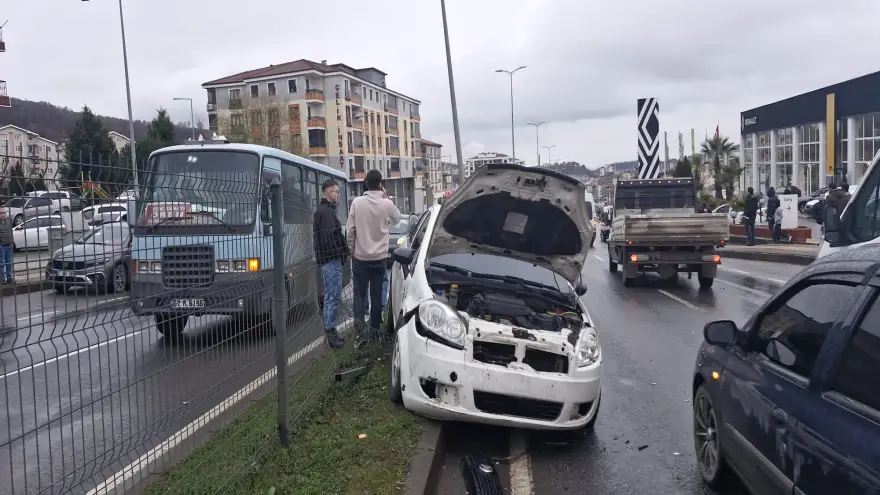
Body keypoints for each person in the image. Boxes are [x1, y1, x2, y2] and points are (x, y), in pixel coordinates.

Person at [347, 170, 402, 341]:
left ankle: (359, 332)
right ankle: (375, 331)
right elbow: (397, 219)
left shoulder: (357, 203)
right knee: (376, 296)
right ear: (380, 183)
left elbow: (350, 230)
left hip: (360, 258)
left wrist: (351, 250)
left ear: (365, 183)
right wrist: (385, 197)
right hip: (379, 258)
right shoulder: (386, 204)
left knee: (359, 296)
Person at [313, 179, 348, 350]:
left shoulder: (324, 211)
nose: (338, 195)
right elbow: (329, 238)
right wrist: (341, 251)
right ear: (328, 193)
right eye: (336, 192)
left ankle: (330, 331)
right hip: (331, 260)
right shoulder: (325, 213)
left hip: (328, 259)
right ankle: (330, 332)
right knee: (333, 296)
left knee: (330, 296)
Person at [0, 210, 13, 285]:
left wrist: (11, 242)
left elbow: (11, 231)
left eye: (4, 213)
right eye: (1, 213)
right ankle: (2, 279)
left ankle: (9, 278)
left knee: (9, 263)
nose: (3, 214)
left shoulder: (8, 222)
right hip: (1, 246)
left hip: (9, 245)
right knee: (1, 264)